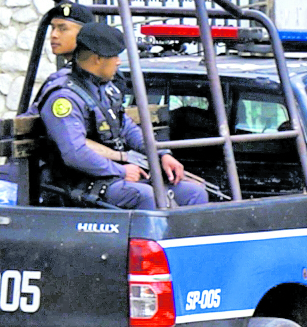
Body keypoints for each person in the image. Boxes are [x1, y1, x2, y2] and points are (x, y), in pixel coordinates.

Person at [39, 21, 206, 209]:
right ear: (97, 59)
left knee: (194, 193)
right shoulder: (64, 99)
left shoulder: (105, 90)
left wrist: (161, 154)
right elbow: (75, 154)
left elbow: (127, 128)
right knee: (148, 197)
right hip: (80, 183)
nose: (118, 62)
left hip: (115, 176)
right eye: (115, 56)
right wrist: (120, 171)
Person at [0, 1, 96, 203]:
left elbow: (30, 125)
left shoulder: (63, 82)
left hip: (52, 172)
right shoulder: (100, 75)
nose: (54, 35)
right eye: (53, 28)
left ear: (85, 35)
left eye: (63, 29)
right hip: (70, 169)